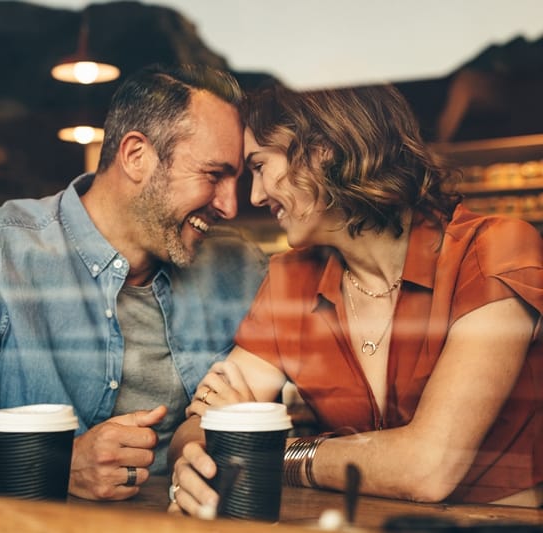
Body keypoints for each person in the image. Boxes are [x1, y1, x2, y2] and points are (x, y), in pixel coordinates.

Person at [0, 64, 267, 501]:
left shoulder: (238, 268)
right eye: (213, 175)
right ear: (136, 156)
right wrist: (54, 464)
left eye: (238, 179)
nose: (230, 206)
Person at [169, 82, 542, 514]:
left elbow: (426, 468)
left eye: (259, 166)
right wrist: (203, 455)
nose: (254, 196)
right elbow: (194, 431)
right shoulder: (291, 279)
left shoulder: (493, 249)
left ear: (323, 150)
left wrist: (262, 450)